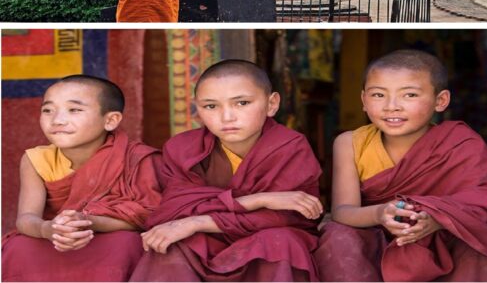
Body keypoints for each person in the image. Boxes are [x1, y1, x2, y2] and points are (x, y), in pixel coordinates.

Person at [315, 50, 487, 282]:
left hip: (442, 239)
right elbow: (342, 211)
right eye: (378, 95)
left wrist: (438, 219)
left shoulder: (460, 142)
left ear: (441, 101)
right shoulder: (350, 144)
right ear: (363, 101)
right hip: (376, 238)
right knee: (338, 237)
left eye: (409, 95)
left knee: (482, 245)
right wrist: (381, 213)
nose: (392, 106)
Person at [130, 60, 323, 281]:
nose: (227, 117)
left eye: (242, 103)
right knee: (169, 242)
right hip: (209, 240)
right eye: (211, 106)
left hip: (265, 239)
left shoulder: (289, 146)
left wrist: (198, 221)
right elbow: (175, 212)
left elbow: (289, 217)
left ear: (272, 104)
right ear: (197, 109)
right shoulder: (182, 149)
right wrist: (259, 200)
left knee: (280, 241)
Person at [1, 75, 162, 281]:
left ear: (110, 120)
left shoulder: (136, 158)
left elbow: (145, 217)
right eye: (47, 110)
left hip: (107, 237)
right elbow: (26, 218)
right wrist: (48, 229)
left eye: (74, 110)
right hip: (57, 237)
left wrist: (87, 221)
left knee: (128, 244)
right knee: (19, 246)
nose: (57, 120)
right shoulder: (36, 159)